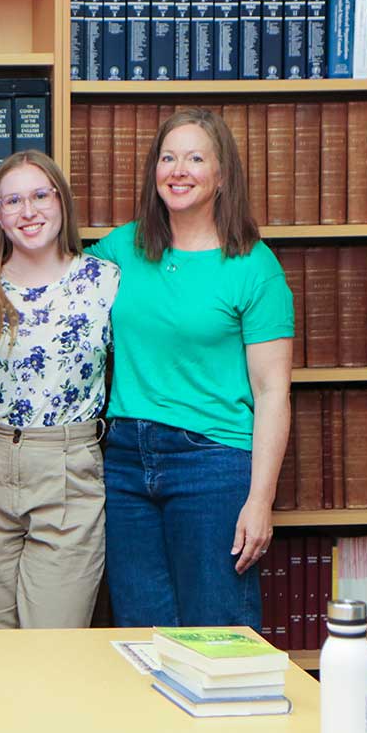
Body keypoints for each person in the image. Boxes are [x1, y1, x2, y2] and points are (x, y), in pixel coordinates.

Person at [86, 107, 293, 628]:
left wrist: (260, 502)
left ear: (222, 176)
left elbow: (273, 392)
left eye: (196, 158)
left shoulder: (254, 267)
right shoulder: (122, 249)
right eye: (168, 157)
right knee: (141, 633)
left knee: (217, 631)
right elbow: (46, 276)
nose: (178, 170)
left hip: (212, 465)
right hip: (125, 461)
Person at [0, 150, 118, 629]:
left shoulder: (104, 280)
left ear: (62, 202)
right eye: (14, 201)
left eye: (41, 195)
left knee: (54, 645)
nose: (29, 212)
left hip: (68, 463)